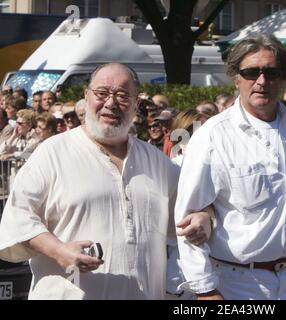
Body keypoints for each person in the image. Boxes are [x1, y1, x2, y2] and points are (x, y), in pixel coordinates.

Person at [0, 63, 212, 300]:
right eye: (102, 93)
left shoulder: (157, 163)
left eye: (122, 96)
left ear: (135, 103)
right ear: (86, 96)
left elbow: (193, 207)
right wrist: (59, 251)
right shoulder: (52, 153)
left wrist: (204, 217)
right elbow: (18, 217)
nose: (111, 103)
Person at [175, 34, 286, 300]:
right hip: (237, 286)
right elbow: (187, 220)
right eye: (251, 72)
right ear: (236, 78)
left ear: (282, 78)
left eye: (271, 72)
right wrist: (206, 292)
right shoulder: (212, 135)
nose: (262, 81)